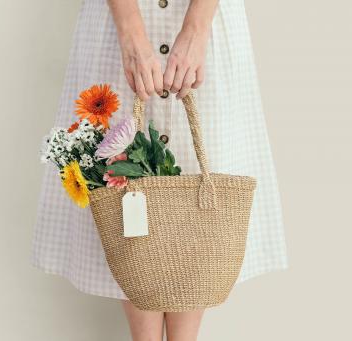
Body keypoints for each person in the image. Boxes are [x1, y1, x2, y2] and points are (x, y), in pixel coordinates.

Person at [32, 0, 288, 340]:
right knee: (121, 180)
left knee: (196, 191)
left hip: (205, 18)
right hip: (118, 18)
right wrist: (130, 30)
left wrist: (197, 28)